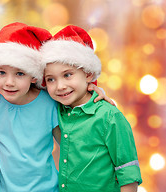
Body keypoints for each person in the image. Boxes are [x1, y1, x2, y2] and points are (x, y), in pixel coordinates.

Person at [40, 25, 142, 192]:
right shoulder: (57, 109)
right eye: (50, 79)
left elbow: (127, 172)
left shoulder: (109, 117)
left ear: (88, 74)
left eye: (67, 75)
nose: (60, 86)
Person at [0, 22, 61, 192]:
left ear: (34, 76)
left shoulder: (49, 103)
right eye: (1, 73)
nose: (9, 83)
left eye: (19, 73)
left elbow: (69, 147)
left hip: (47, 189)